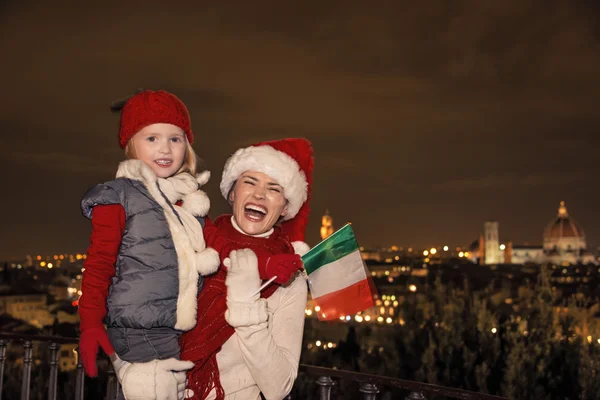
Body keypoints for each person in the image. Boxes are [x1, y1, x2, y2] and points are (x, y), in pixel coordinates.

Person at [78, 89, 220, 399]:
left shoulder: (187, 202)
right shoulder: (118, 196)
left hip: (172, 331)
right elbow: (100, 262)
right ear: (130, 145)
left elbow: (220, 251)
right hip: (137, 330)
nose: (165, 148)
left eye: (175, 138)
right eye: (152, 138)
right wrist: (90, 323)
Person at [180, 138, 314, 400]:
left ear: (285, 208)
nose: (259, 194)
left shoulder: (288, 279)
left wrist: (246, 308)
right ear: (232, 192)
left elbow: (279, 388)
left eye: (274, 189)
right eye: (250, 182)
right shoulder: (192, 243)